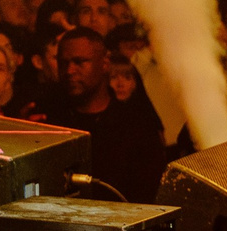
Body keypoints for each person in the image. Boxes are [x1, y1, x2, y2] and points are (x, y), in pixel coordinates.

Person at [40, 27, 169, 208]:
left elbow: (149, 197)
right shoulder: (50, 120)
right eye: (64, 63)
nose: (69, 71)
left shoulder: (135, 125)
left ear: (104, 63)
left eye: (79, 62)